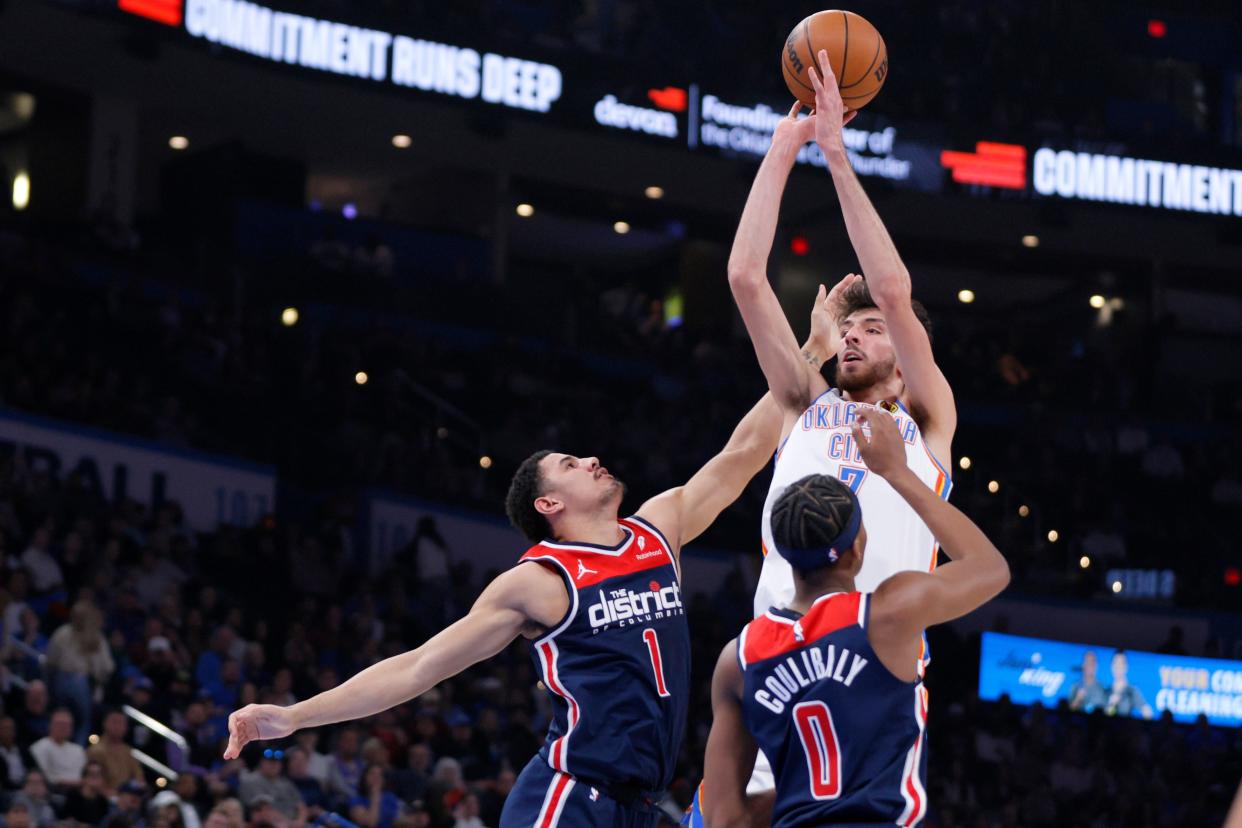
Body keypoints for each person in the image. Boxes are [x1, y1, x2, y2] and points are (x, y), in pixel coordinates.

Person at [223, 313, 835, 828]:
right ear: (549, 504)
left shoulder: (659, 530)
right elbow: (417, 667)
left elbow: (745, 450)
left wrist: (813, 351)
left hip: (644, 806)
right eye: (571, 463)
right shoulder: (538, 581)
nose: (592, 459)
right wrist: (295, 716)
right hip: (570, 796)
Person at [690, 47, 961, 819]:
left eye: (871, 333)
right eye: (849, 330)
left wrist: (839, 159)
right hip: (780, 646)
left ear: (908, 363)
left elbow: (898, 292)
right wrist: (784, 149)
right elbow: (745, 277)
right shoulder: (805, 400)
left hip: (877, 659)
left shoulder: (926, 423)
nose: (853, 339)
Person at [700, 409, 1009, 826]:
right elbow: (991, 568)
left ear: (784, 552)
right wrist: (897, 471)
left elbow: (724, 820)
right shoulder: (887, 615)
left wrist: (803, 791)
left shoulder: (738, 660)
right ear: (856, 548)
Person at [46, 601, 115, 744]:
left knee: (62, 719)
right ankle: (76, 750)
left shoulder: (63, 632)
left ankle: (61, 747)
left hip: (62, 680)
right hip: (80, 682)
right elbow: (108, 667)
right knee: (83, 723)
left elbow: (50, 661)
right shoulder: (95, 636)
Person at [87, 710, 144, 793]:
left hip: (127, 797)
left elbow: (139, 778)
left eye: (121, 723)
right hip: (103, 798)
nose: (118, 726)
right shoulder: (95, 751)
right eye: (114, 722)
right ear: (105, 723)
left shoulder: (128, 751)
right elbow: (93, 781)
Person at [29, 709, 86, 789]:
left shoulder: (78, 750)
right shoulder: (40, 747)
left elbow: (85, 775)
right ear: (50, 725)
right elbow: (47, 778)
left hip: (79, 791)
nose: (63, 728)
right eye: (60, 724)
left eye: (67, 725)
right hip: (54, 791)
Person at [1104, 651, 1153, 719]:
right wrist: (1111, 705)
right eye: (1116, 663)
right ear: (1111, 666)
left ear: (1126, 667)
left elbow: (1147, 711)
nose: (1118, 667)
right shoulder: (1106, 691)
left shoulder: (1132, 691)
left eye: (1121, 663)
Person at [62, 761, 113, 827]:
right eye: (92, 774)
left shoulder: (103, 801)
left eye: (98, 775)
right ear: (84, 778)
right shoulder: (72, 795)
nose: (95, 778)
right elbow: (65, 820)